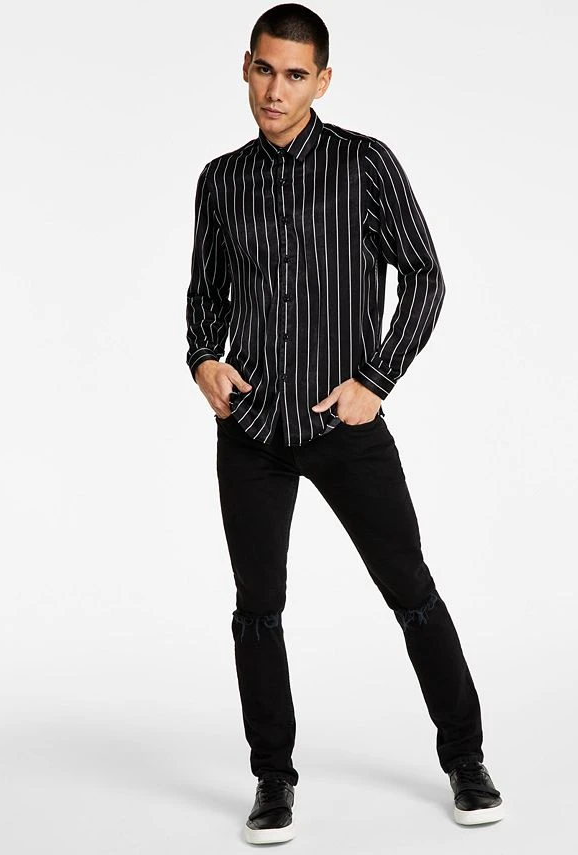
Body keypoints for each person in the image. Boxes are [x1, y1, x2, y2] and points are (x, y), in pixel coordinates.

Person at [185, 3, 505, 845]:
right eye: (264, 69)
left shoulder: (365, 164)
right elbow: (206, 293)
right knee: (258, 606)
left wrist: (376, 378)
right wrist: (202, 359)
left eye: (295, 75)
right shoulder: (220, 180)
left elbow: (425, 276)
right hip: (251, 425)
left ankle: (466, 758)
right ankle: (273, 778)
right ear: (245, 66)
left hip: (343, 425)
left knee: (410, 588)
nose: (275, 90)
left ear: (322, 81)